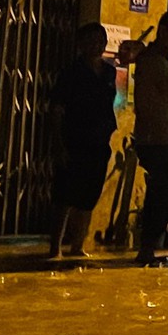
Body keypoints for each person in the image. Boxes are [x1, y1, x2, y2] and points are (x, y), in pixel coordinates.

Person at [48, 22, 117, 259]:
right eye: (90, 41)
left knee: (88, 196)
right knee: (65, 196)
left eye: (100, 41)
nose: (96, 46)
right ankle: (55, 247)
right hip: (74, 139)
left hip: (98, 142)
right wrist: (59, 144)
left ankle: (78, 245)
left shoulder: (108, 73)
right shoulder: (71, 73)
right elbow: (57, 109)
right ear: (80, 45)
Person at [131, 10, 168, 266]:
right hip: (160, 138)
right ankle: (147, 249)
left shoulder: (160, 60)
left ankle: (150, 248)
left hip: (163, 136)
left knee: (163, 194)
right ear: (165, 30)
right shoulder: (155, 61)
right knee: (161, 195)